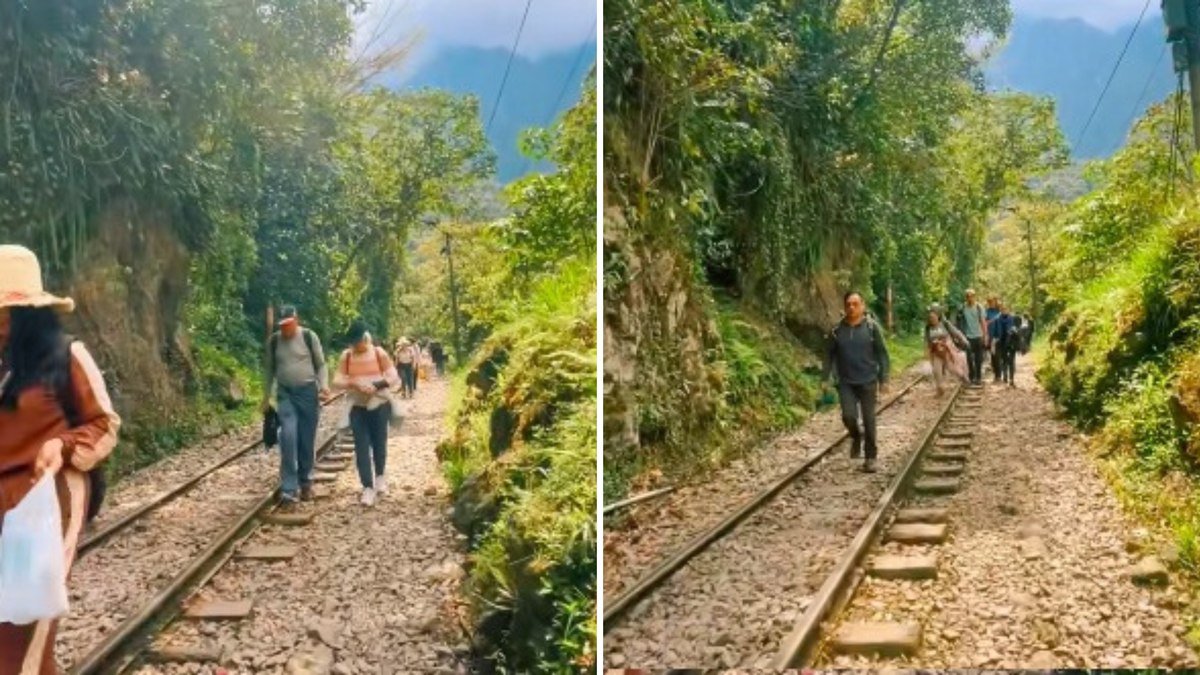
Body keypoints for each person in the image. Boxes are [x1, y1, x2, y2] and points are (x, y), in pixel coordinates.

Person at [0, 245, 121, 671]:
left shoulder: (65, 355)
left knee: (24, 628)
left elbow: (105, 424)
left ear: (28, 314)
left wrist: (62, 446)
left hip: (46, 499)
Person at [263, 305, 330, 505]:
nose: (285, 329)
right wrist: (266, 396)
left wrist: (324, 386)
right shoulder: (274, 341)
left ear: (296, 320)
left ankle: (306, 482)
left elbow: (321, 364)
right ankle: (289, 488)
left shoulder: (309, 336)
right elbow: (269, 370)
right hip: (286, 394)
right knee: (288, 437)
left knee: (306, 440)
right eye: (282, 325)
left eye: (289, 324)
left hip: (308, 393)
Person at [333, 321, 400, 507]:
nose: (354, 346)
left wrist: (375, 385)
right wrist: (353, 384)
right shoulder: (346, 357)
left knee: (379, 442)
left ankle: (380, 476)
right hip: (357, 407)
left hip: (379, 404)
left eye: (357, 342)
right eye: (352, 343)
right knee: (361, 446)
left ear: (364, 338)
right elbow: (337, 380)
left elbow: (393, 376)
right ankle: (367, 487)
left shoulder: (379, 353)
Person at [825, 291, 890, 473]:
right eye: (848, 305)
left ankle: (871, 457)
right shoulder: (837, 331)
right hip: (846, 382)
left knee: (869, 420)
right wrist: (825, 378)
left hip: (868, 381)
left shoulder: (871, 328)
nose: (851, 308)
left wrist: (884, 378)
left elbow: (882, 353)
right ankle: (856, 436)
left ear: (863, 306)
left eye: (855, 304)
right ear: (844, 307)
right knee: (848, 417)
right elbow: (828, 355)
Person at [925, 309, 967, 395]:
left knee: (952, 369)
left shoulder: (944, 324)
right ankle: (940, 389)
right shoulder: (928, 328)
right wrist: (927, 353)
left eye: (933, 317)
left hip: (948, 350)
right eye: (930, 317)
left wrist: (963, 339)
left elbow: (956, 332)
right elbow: (927, 341)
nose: (931, 319)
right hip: (936, 352)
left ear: (938, 316)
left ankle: (963, 377)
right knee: (937, 370)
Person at [955, 289, 989, 386]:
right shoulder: (962, 308)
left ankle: (978, 377)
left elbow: (983, 322)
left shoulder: (979, 308)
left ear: (974, 296)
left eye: (971, 296)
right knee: (969, 358)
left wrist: (985, 335)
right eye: (968, 296)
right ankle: (971, 377)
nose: (970, 298)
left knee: (978, 358)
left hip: (978, 335)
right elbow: (959, 323)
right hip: (967, 337)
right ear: (965, 297)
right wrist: (959, 336)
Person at [986, 296, 1002, 382]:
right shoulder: (986, 312)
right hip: (991, 337)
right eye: (990, 302)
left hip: (999, 337)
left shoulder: (1000, 311)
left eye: (993, 302)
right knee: (993, 357)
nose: (991, 303)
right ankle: (996, 375)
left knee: (997, 356)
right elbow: (984, 323)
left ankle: (999, 375)